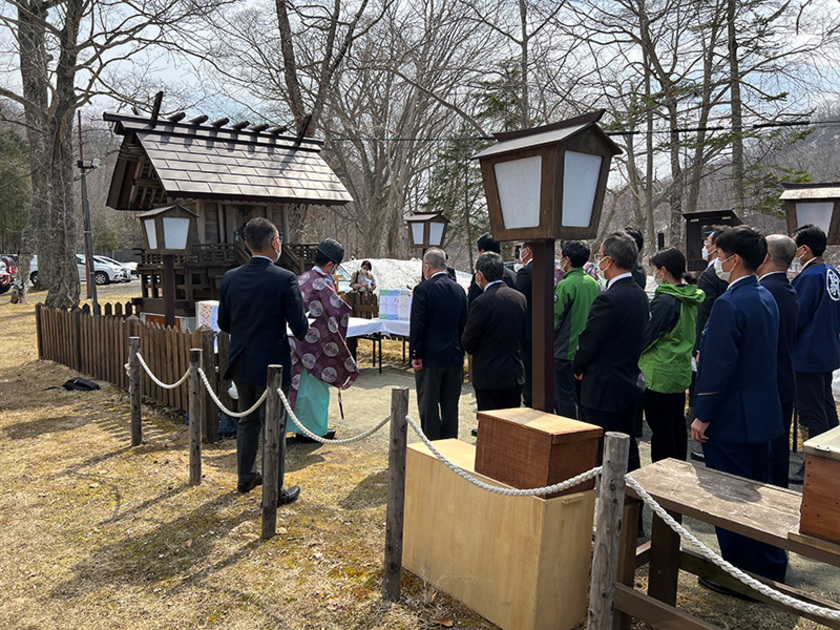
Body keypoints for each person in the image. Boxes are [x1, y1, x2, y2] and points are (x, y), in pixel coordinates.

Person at [691, 225, 787, 587]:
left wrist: (702, 415)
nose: (715, 260)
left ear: (733, 260)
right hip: (762, 409)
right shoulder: (765, 296)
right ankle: (771, 564)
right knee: (758, 491)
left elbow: (718, 367)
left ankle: (741, 574)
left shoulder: (729, 303)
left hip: (732, 415)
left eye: (718, 255)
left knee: (730, 496)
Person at [218, 217, 307, 505]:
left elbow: (224, 323)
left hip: (241, 358)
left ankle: (246, 477)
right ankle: (274, 488)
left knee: (246, 421)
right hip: (272, 364)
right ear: (275, 242)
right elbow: (301, 328)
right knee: (275, 425)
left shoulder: (230, 277)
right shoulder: (285, 278)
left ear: (246, 244)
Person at [573, 232, 649, 473]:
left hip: (603, 387)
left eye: (600, 256)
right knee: (627, 450)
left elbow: (589, 341)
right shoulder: (640, 295)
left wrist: (577, 367)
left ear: (609, 260)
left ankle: (615, 505)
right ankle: (631, 506)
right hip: (628, 381)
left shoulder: (609, 299)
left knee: (604, 454)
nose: (598, 261)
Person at [288, 238, 359, 442]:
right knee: (314, 389)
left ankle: (297, 427)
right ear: (331, 265)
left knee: (297, 387)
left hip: (294, 341)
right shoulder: (323, 284)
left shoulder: (302, 277)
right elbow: (335, 315)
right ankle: (313, 430)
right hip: (315, 346)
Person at [638, 248, 703, 462]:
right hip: (679, 368)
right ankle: (678, 464)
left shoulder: (666, 301)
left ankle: (661, 473)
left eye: (654, 269)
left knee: (661, 428)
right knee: (675, 423)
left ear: (663, 271)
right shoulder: (690, 296)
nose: (654, 274)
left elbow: (647, 335)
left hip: (659, 372)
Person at [789, 224, 840, 483]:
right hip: (826, 350)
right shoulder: (831, 273)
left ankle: (817, 466)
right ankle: (833, 458)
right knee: (827, 407)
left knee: (812, 412)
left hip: (807, 354)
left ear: (805, 249)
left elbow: (797, 316)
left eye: (795, 245)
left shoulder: (809, 277)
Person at [410, 248, 469, 440]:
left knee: (429, 405)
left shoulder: (423, 290)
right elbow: (463, 324)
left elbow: (418, 324)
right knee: (451, 406)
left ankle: (432, 446)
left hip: (430, 356)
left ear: (426, 267)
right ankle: (450, 444)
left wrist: (415, 354)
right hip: (453, 354)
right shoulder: (459, 289)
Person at [757, 234, 799, 488]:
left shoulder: (765, 292)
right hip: (784, 377)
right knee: (778, 447)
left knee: (768, 451)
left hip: (768, 382)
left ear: (766, 256)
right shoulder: (787, 289)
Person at [462, 252, 527, 411]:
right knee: (510, 425)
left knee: (490, 427)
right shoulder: (520, 298)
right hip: (514, 373)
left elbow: (468, 341)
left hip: (488, 376)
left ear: (480, 275)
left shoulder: (481, 303)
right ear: (503, 273)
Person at [690, 226, 728, 462]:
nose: (705, 246)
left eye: (709, 243)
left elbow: (702, 312)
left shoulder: (712, 275)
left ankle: (706, 438)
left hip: (709, 340)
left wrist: (698, 346)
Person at [553, 241, 600, 419]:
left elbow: (554, 320)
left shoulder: (565, 285)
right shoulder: (594, 284)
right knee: (583, 399)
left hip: (565, 352)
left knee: (564, 397)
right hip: (587, 352)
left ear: (567, 259)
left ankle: (568, 437)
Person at [467, 233, 516, 305]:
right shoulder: (512, 275)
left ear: (483, 252)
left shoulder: (481, 276)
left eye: (479, 252)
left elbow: (472, 302)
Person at [516, 241, 534, 407]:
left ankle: (529, 400)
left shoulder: (525, 272)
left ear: (527, 251)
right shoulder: (551, 269)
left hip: (528, 328)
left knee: (528, 369)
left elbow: (520, 301)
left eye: (521, 249)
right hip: (547, 328)